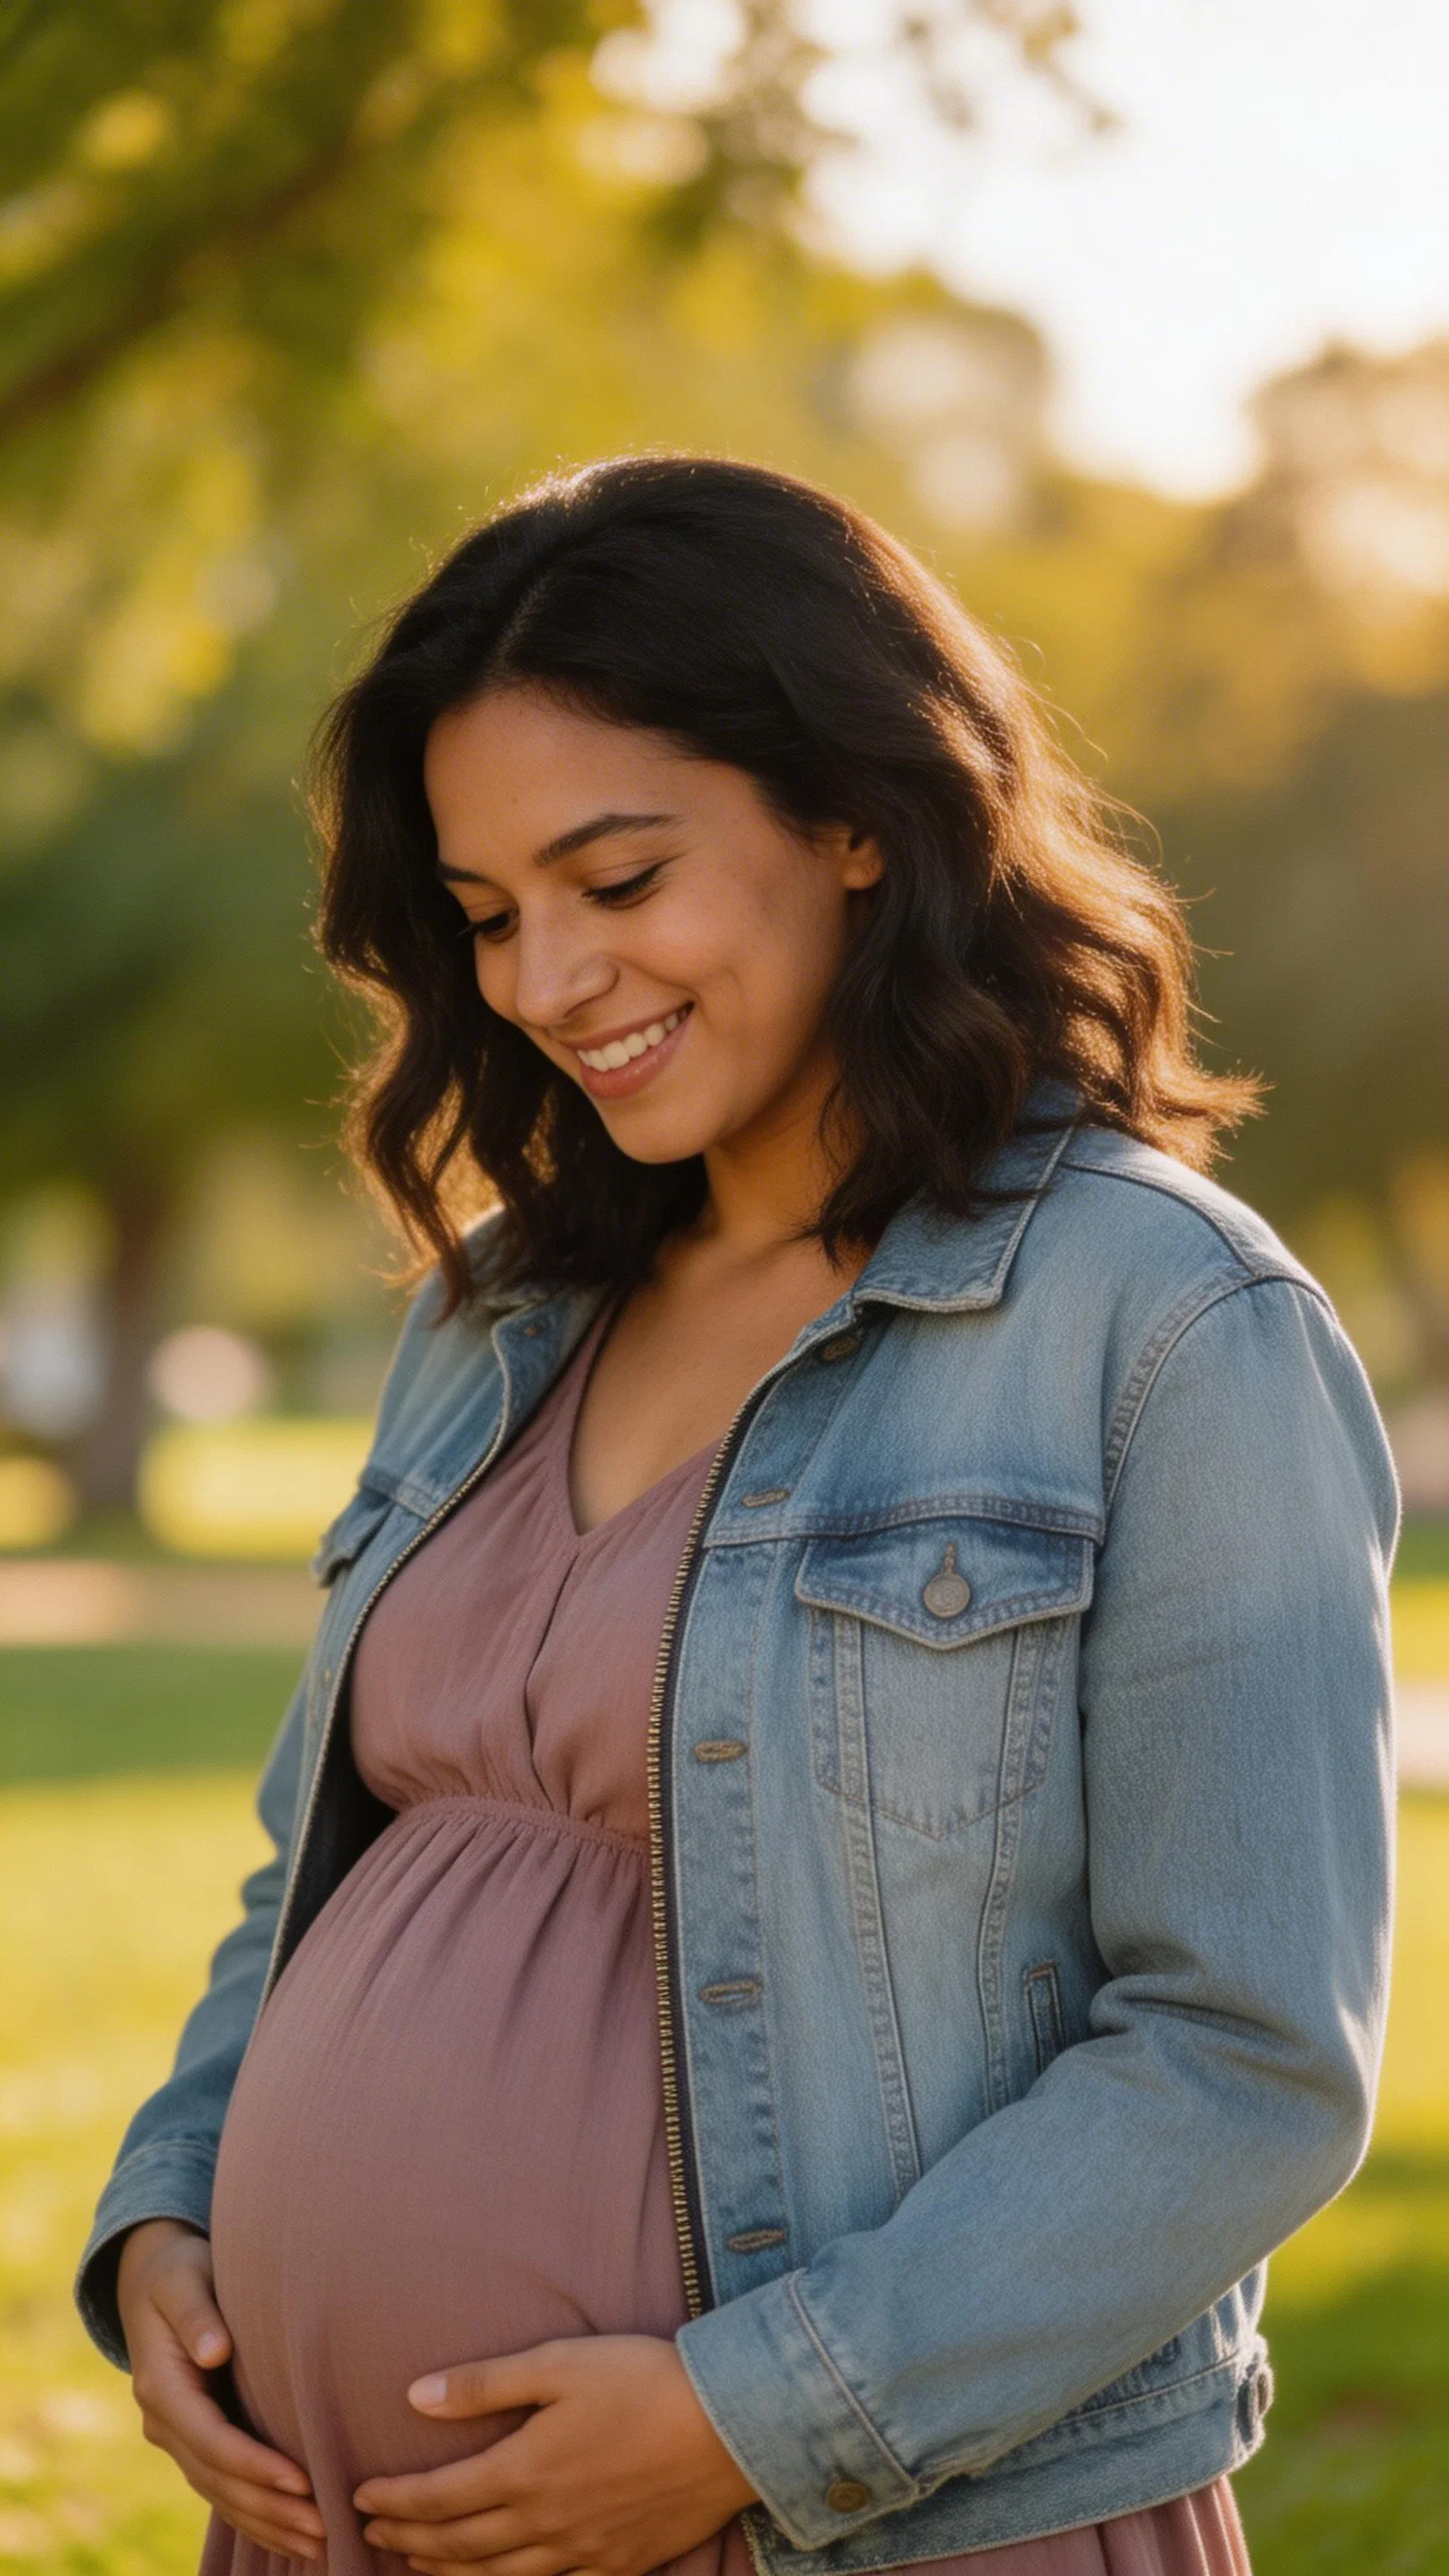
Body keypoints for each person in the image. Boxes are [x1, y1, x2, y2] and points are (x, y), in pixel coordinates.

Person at [76, 454, 1399, 2576]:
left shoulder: (1160, 1326)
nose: (542, 979)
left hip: (872, 2532)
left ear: (858, 817)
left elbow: (1243, 2057)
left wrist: (745, 2420)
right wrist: (177, 2199)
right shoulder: (502, 1312)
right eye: (489, 915)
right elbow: (313, 1869)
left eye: (617, 878)